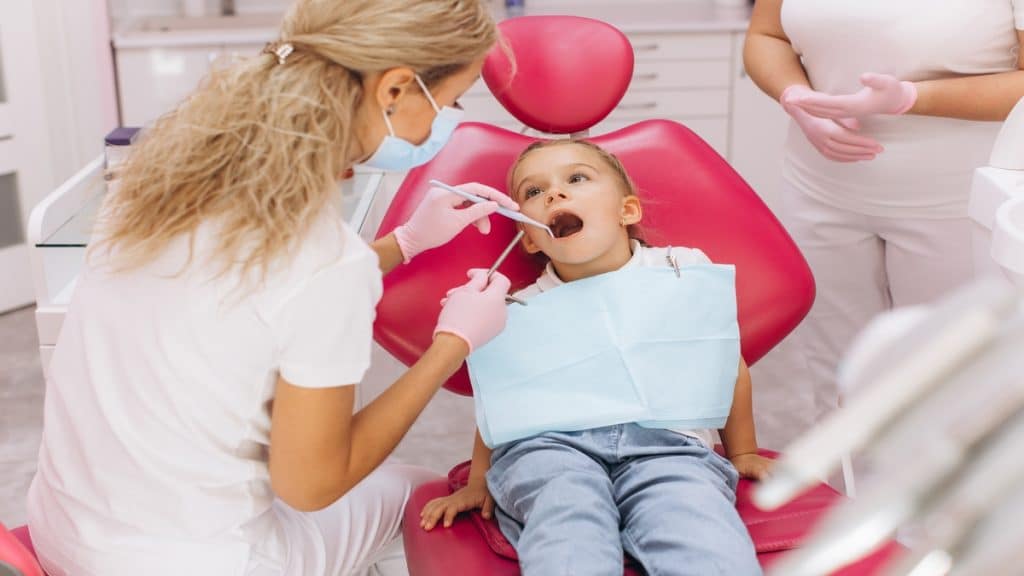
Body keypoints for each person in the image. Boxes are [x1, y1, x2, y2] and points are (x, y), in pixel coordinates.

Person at [26, 2, 518, 575]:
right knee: (420, 494)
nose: (446, 124)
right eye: (451, 101)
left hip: (65, 530)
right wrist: (452, 344)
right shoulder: (325, 263)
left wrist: (406, 241)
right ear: (396, 89)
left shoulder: (156, 182)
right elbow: (312, 485)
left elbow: (258, 293)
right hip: (194, 562)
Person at [419, 140, 770, 575]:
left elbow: (722, 364)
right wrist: (477, 480)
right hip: (548, 447)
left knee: (698, 530)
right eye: (533, 192)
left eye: (577, 178)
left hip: (669, 447)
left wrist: (742, 453)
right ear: (528, 237)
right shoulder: (514, 308)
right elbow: (502, 398)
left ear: (628, 212)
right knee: (568, 519)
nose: (554, 194)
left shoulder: (681, 270)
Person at [744, 0, 1024, 427]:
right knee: (837, 376)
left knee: (942, 381)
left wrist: (913, 97)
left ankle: (923, 494)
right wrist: (792, 94)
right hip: (818, 189)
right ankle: (844, 491)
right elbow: (767, 36)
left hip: (954, 203)